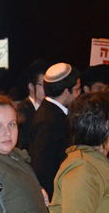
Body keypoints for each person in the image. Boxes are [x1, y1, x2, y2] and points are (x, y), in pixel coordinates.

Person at [28, 62, 81, 199]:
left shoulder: (54, 113)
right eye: (77, 90)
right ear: (66, 92)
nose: (79, 94)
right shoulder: (49, 120)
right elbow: (43, 168)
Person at [15, 59, 47, 151]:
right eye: (42, 85)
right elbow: (22, 144)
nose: (47, 89)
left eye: (48, 85)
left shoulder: (48, 108)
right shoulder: (22, 110)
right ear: (31, 86)